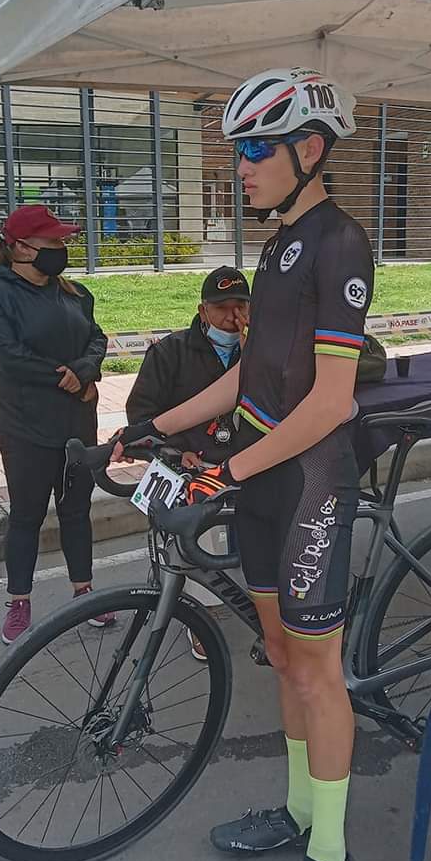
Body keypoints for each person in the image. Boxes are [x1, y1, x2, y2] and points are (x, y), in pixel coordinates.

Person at [114, 68, 373, 861]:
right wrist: (152, 424)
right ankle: (301, 811)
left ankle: (331, 858)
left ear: (309, 148)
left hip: (308, 483)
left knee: (317, 670)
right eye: (238, 150)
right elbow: (246, 374)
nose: (243, 166)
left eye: (257, 148)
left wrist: (228, 472)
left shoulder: (340, 243)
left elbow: (332, 401)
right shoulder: (274, 245)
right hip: (261, 474)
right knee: (278, 653)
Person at [0, 205, 111, 645]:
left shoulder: (73, 292)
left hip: (76, 422)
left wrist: (86, 371)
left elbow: (96, 338)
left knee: (77, 511)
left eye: (62, 242)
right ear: (19, 248)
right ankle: (19, 601)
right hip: (26, 426)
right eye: (52, 243)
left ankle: (83, 593)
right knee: (28, 516)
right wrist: (67, 378)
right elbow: (8, 357)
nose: (61, 249)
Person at [126, 265, 250, 659]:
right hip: (192, 463)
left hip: (246, 460)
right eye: (222, 308)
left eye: (241, 307)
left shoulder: (262, 350)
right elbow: (142, 412)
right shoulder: (170, 352)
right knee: (193, 541)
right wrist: (178, 450)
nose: (231, 318)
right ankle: (200, 618)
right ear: (202, 311)